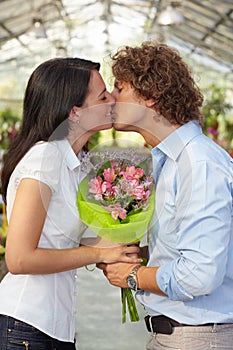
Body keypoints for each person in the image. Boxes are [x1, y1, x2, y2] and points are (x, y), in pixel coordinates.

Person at [98, 42, 233, 349]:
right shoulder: (170, 161)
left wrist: (132, 275)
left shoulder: (197, 164)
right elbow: (190, 249)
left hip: (197, 336)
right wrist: (138, 254)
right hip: (180, 333)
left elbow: (200, 275)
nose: (112, 99)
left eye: (120, 88)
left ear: (149, 95)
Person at [0, 57, 141, 349]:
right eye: (103, 96)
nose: (113, 98)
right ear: (75, 112)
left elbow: (58, 241)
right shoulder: (44, 158)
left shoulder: (74, 162)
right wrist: (96, 252)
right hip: (27, 325)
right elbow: (18, 259)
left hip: (53, 326)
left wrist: (117, 246)